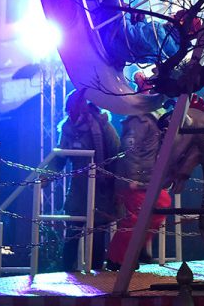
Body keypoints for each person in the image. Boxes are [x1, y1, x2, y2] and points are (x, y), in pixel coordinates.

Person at [52, 91, 120, 273]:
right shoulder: (68, 128)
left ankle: (96, 271)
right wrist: (46, 175)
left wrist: (114, 184)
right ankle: (67, 271)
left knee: (98, 230)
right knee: (74, 227)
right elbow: (60, 157)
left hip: (101, 184)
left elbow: (114, 151)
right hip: (79, 185)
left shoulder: (101, 124)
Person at [105, 109, 171, 271]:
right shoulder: (138, 120)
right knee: (134, 220)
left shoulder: (156, 116)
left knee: (160, 205)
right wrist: (134, 179)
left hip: (149, 179)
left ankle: (134, 250)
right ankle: (118, 258)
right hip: (136, 180)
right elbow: (131, 151)